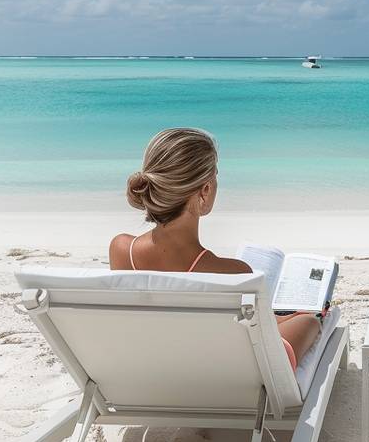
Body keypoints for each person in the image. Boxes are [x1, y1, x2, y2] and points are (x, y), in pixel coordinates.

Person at [109, 127, 321, 369]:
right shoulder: (232, 273)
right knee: (311, 321)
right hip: (214, 371)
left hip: (153, 367)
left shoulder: (121, 249)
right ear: (205, 191)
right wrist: (296, 317)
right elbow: (266, 341)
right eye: (216, 175)